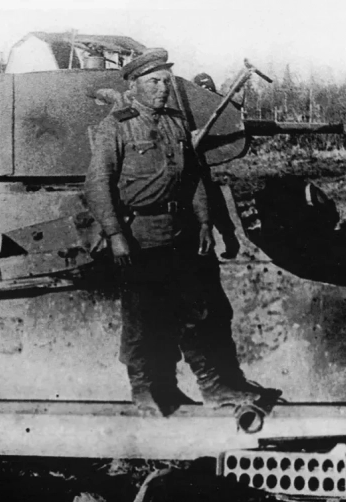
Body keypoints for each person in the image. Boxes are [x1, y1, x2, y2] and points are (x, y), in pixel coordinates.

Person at [84, 48, 267, 415]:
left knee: (199, 312)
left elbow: (193, 178)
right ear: (134, 86)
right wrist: (116, 235)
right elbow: (97, 185)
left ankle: (213, 386)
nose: (162, 88)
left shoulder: (176, 123)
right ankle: (147, 390)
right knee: (143, 318)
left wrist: (204, 222)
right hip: (140, 236)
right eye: (153, 82)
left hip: (181, 232)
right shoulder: (116, 126)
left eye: (166, 81)